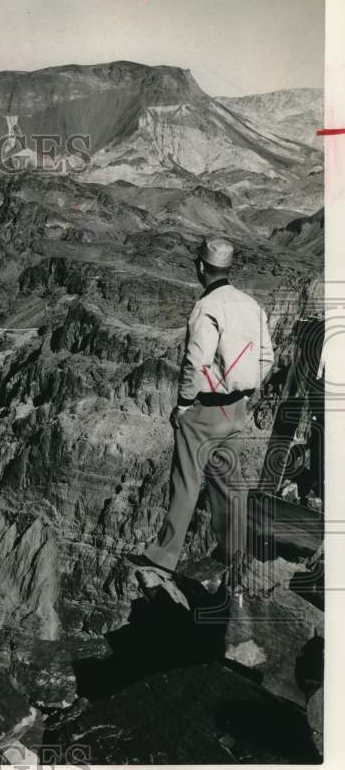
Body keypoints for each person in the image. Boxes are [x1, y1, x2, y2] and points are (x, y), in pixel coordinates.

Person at [128, 239, 274, 587]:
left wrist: (183, 405)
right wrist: (245, 391)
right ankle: (234, 555)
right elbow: (267, 357)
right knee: (227, 484)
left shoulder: (207, 306)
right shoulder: (251, 305)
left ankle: (163, 557)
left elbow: (196, 361)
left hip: (205, 408)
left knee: (187, 482)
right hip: (237, 409)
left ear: (200, 268)